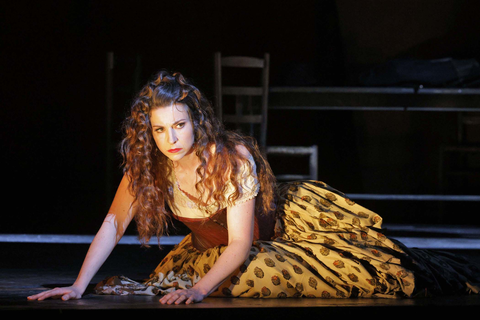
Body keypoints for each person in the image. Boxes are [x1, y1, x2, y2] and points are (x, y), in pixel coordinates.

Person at [28, 71, 479, 304]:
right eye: (160, 130)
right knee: (176, 284)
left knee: (360, 271)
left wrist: (200, 291)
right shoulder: (150, 168)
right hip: (212, 247)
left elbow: (243, 242)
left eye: (180, 126)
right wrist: (78, 285)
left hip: (278, 233)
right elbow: (112, 224)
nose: (171, 139)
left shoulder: (231, 158)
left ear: (196, 120)